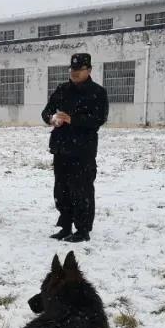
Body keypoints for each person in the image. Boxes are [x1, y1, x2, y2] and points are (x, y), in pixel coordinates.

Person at [40, 53, 108, 243]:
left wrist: (73, 120)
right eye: (72, 70)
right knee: (61, 190)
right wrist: (52, 119)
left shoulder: (98, 93)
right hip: (61, 149)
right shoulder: (62, 90)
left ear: (89, 70)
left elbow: (98, 119)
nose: (75, 73)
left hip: (82, 151)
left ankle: (82, 230)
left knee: (82, 190)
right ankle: (65, 226)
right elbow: (46, 111)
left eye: (79, 70)